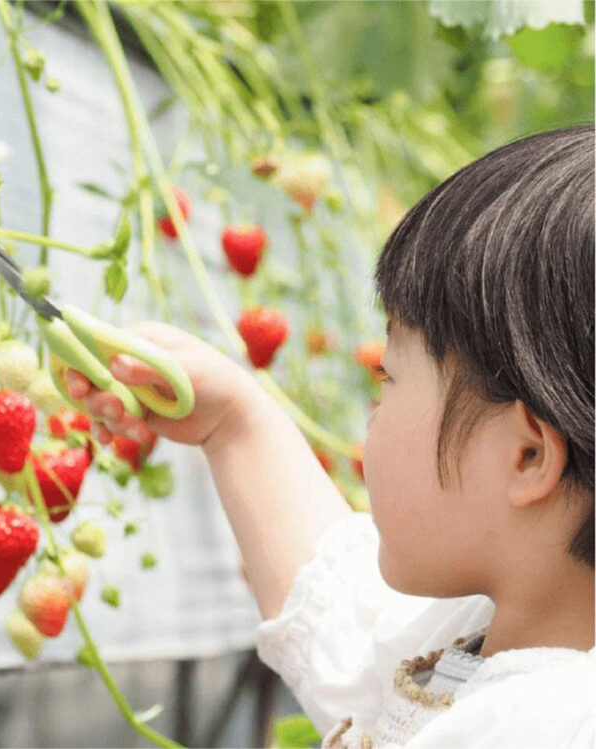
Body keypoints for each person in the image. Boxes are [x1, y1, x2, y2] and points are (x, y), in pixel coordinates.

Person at [66, 124, 595, 747]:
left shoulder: (538, 728)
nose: (371, 412)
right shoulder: (480, 638)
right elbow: (349, 624)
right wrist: (234, 423)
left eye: (387, 376)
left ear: (526, 455)